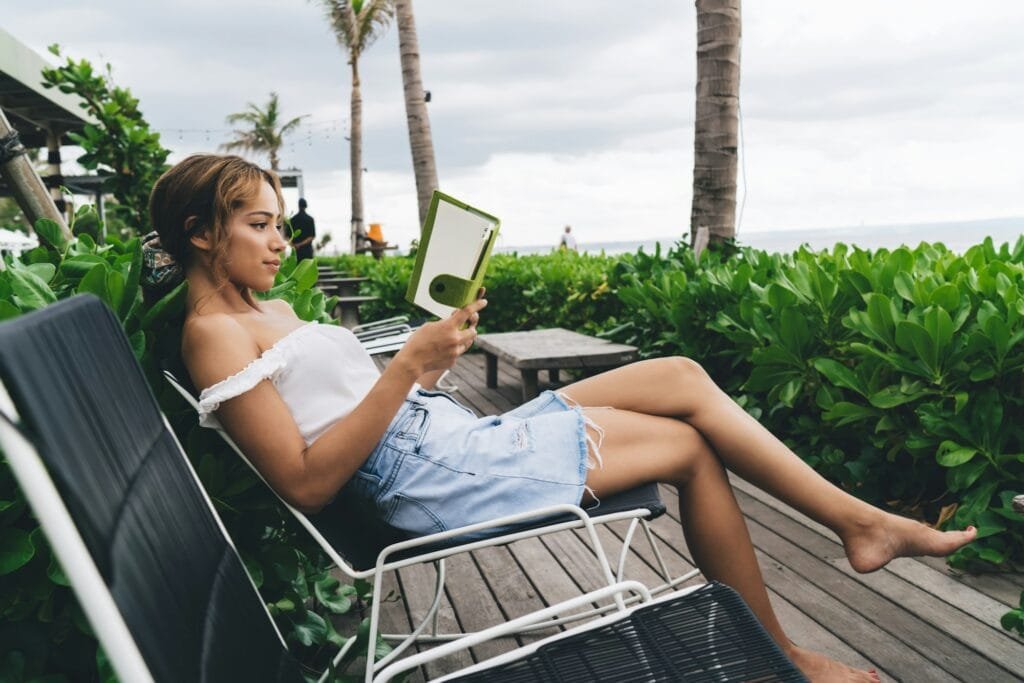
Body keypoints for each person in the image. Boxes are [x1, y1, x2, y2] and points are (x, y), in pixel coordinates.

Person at [144, 154, 976, 683]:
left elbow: (342, 400)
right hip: (428, 476)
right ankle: (788, 655)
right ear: (201, 233)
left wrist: (428, 357)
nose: (280, 241)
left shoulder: (267, 305)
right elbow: (307, 480)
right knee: (688, 447)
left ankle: (858, 524)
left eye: (281, 224)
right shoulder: (214, 335)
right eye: (260, 224)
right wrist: (406, 366)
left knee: (681, 374)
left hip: (440, 434)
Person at [289, 197, 316, 261]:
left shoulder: (292, 220)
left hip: (295, 251)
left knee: (296, 270)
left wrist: (294, 245)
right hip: (307, 251)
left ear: (298, 206)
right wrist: (300, 244)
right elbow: (311, 236)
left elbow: (287, 236)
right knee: (308, 270)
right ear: (306, 206)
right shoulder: (310, 219)